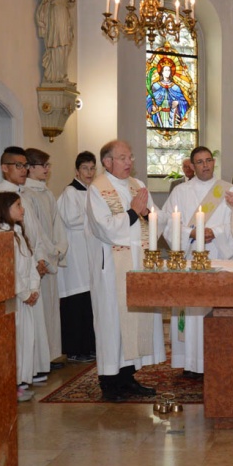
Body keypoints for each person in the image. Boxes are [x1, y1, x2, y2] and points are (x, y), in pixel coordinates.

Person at [86, 140, 166, 401]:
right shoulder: (97, 189)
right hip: (113, 268)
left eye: (130, 157)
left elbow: (157, 219)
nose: (129, 162)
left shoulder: (138, 185)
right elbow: (104, 227)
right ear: (107, 162)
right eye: (122, 157)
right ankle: (109, 383)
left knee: (134, 322)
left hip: (138, 262)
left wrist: (148, 214)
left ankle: (128, 377)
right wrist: (134, 212)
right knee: (113, 324)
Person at [162, 146, 233, 378]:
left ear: (213, 162)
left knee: (215, 309)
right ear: (192, 166)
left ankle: (217, 359)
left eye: (208, 160)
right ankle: (190, 363)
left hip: (219, 256)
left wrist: (215, 232)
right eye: (200, 162)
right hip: (190, 260)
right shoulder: (180, 192)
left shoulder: (227, 189)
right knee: (192, 310)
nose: (205, 165)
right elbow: (168, 223)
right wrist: (191, 234)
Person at [0, 147, 52, 380]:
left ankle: (29, 372)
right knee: (20, 331)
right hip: (18, 277)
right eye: (18, 165)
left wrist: (40, 258)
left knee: (31, 329)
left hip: (31, 266)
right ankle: (19, 377)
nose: (24, 170)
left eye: (26, 165)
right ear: (5, 168)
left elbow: (34, 230)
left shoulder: (22, 194)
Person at [0, 192, 42, 401]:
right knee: (14, 343)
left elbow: (30, 265)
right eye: (18, 205)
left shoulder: (18, 233)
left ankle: (19, 382)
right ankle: (10, 384)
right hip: (13, 301)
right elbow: (8, 272)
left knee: (26, 341)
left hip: (25, 299)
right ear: (4, 210)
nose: (23, 209)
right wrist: (25, 292)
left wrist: (34, 288)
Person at [25, 148, 68, 366]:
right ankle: (40, 360)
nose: (47, 170)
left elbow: (56, 225)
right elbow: (35, 232)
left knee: (51, 309)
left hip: (50, 256)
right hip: (40, 260)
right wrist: (45, 255)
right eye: (44, 166)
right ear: (30, 168)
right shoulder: (26, 194)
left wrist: (59, 248)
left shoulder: (47, 193)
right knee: (40, 312)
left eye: (48, 166)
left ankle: (51, 354)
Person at [56, 151, 97, 363]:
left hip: (87, 255)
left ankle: (88, 346)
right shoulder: (70, 192)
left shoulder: (92, 191)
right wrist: (96, 217)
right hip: (74, 257)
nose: (89, 173)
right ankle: (74, 349)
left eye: (92, 168)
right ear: (77, 171)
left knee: (88, 304)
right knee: (75, 303)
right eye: (85, 169)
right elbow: (71, 220)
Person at [35, 0, 75, 84]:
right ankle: (54, 75)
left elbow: (67, 0)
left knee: (65, 43)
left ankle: (62, 74)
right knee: (58, 42)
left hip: (64, 12)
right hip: (55, 11)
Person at [147, 58, 191, 129]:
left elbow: (185, 102)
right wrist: (152, 107)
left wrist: (178, 102)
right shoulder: (155, 86)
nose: (167, 72)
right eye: (165, 70)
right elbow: (148, 100)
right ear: (162, 72)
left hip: (172, 115)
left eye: (169, 70)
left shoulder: (176, 87)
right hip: (159, 115)